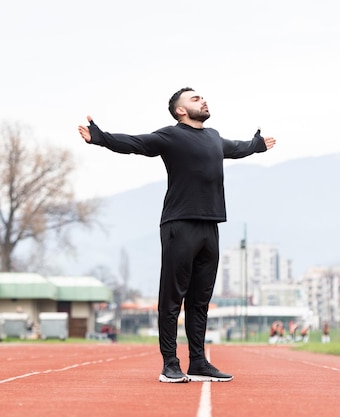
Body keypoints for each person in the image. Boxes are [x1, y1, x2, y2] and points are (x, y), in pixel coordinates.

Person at [77, 87, 276, 383]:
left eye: (202, 97)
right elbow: (135, 143)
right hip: (179, 225)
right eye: (195, 98)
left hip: (211, 225)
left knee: (200, 301)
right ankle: (170, 364)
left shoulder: (213, 137)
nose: (203, 100)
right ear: (181, 110)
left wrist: (256, 144)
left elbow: (237, 147)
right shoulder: (171, 136)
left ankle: (198, 362)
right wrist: (101, 137)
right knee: (172, 298)